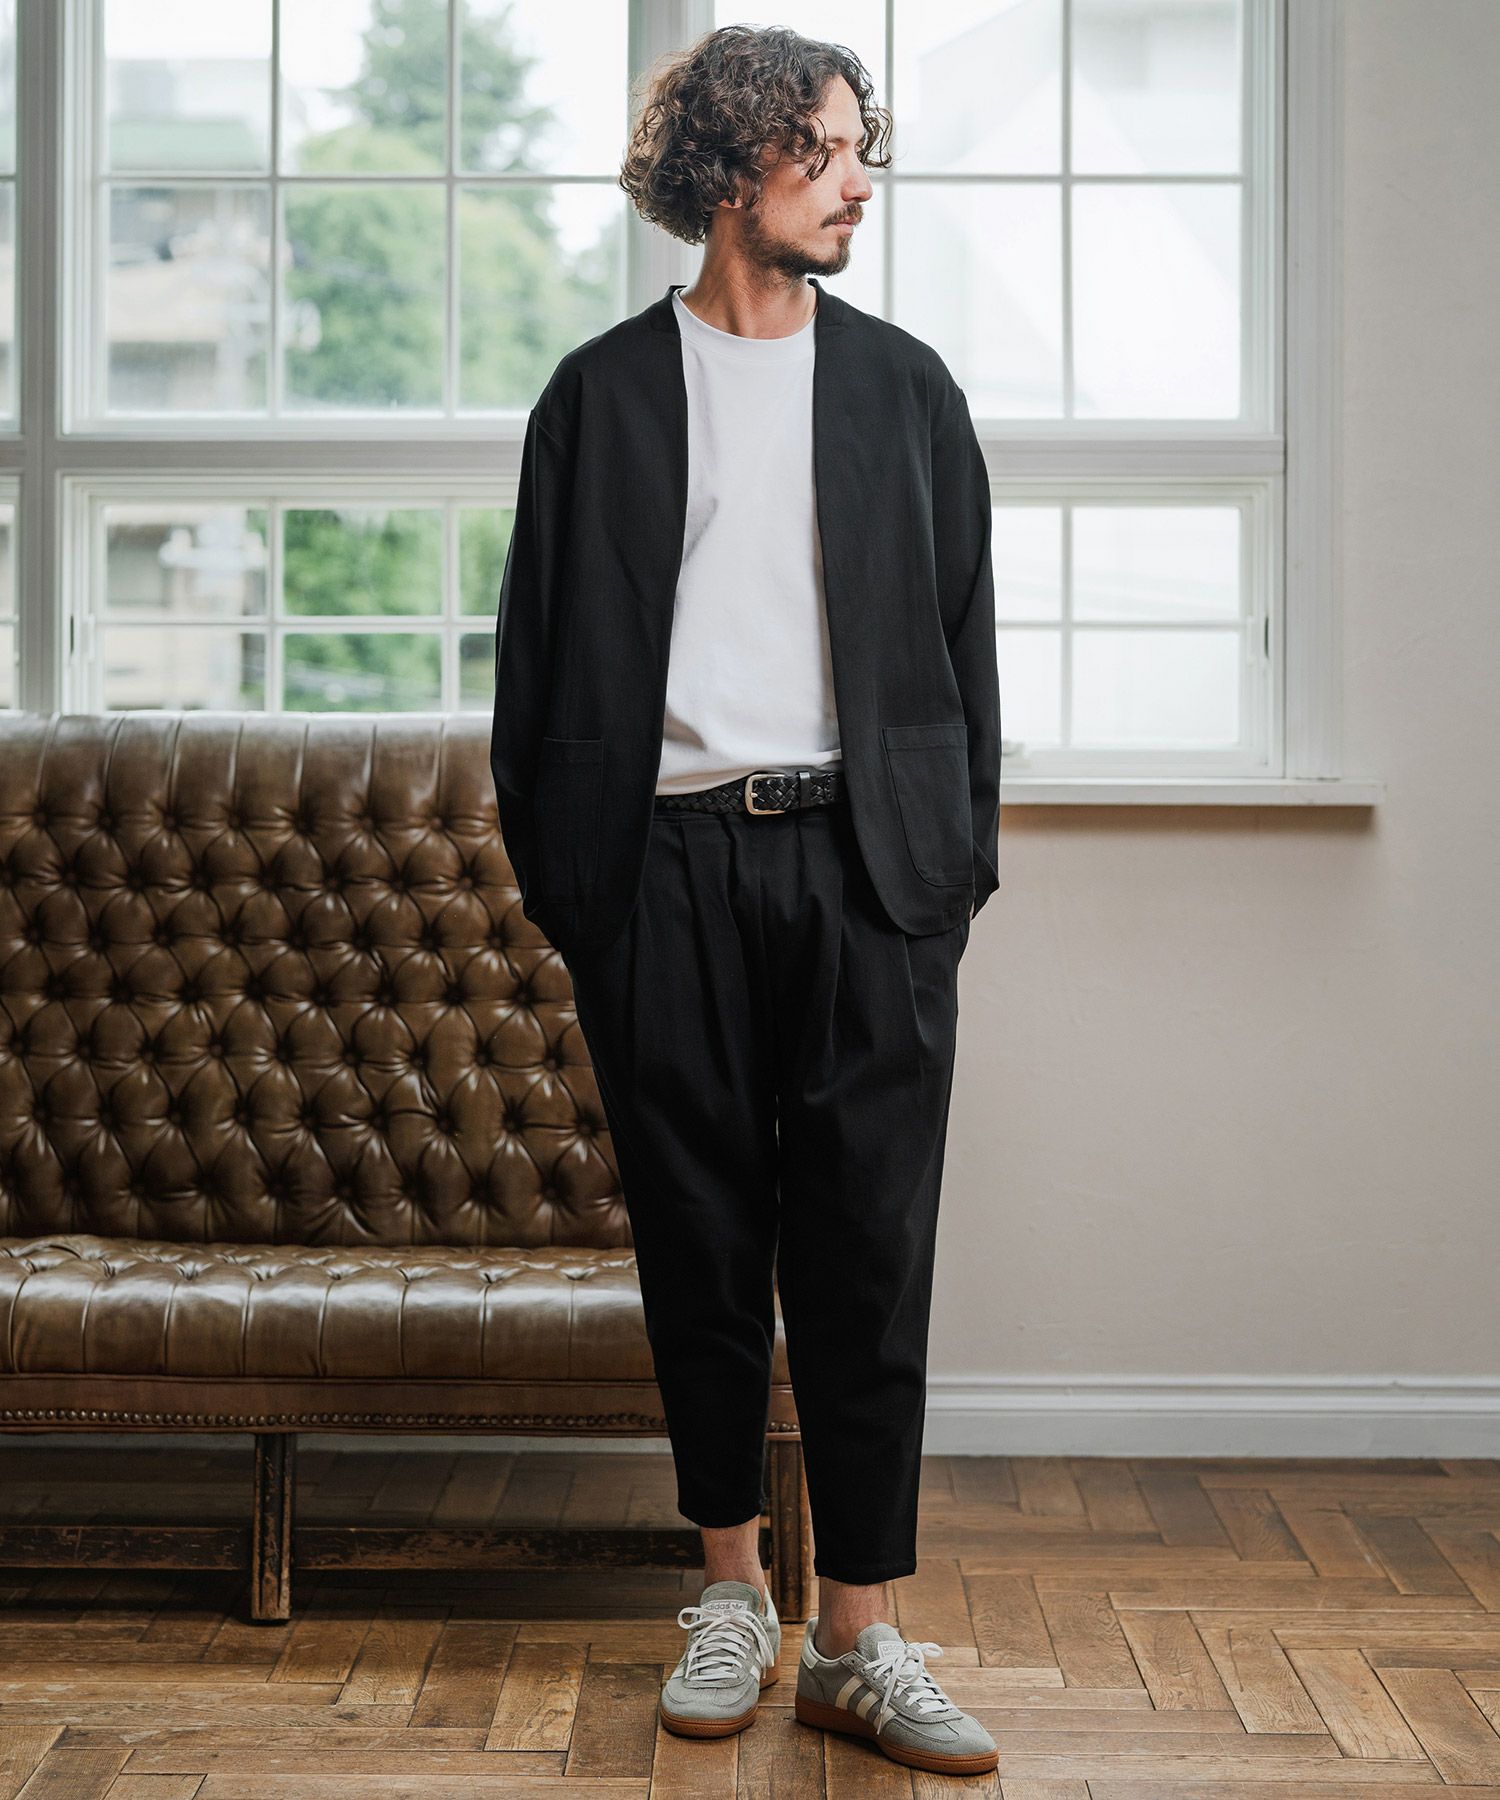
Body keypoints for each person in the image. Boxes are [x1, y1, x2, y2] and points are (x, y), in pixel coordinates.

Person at [490, 23, 1000, 1778]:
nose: (860, 183)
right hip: (666, 872)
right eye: (827, 151)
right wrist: (590, 898)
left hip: (871, 874)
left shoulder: (908, 392)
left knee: (869, 1254)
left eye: (865, 149)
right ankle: (726, 1593)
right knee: (702, 1247)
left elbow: (961, 657)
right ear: (729, 169)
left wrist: (945, 880)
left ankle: (859, 1634)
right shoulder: (599, 398)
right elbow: (536, 668)